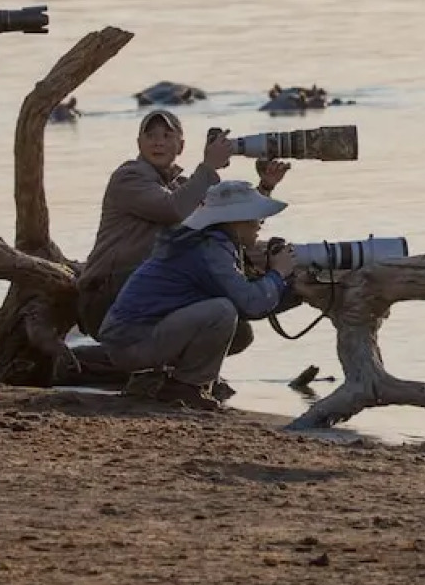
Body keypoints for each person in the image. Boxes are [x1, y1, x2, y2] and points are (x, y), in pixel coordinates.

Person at [75, 111, 290, 340]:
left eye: (167, 136)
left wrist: (265, 187)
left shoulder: (182, 185)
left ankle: (176, 372)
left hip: (145, 294)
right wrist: (209, 166)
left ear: (181, 146)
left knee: (236, 331)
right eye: (151, 136)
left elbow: (232, 224)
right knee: (223, 317)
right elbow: (172, 210)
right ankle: (131, 365)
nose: (158, 142)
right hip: (107, 297)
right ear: (139, 143)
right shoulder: (129, 177)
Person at [97, 180, 301, 411]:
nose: (260, 226)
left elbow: (248, 303)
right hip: (132, 342)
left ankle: (166, 379)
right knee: (222, 311)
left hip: (129, 337)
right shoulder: (210, 249)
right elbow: (251, 304)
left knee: (234, 323)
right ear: (236, 221)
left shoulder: (204, 240)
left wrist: (289, 288)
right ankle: (187, 386)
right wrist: (278, 273)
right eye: (256, 218)